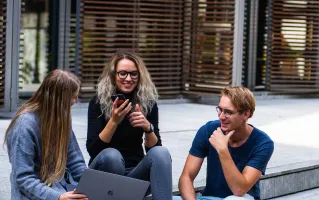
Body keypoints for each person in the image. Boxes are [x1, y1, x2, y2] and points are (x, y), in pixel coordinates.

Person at [86, 50, 172, 200]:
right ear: (113, 75)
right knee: (112, 156)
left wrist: (147, 128)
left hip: (134, 177)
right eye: (123, 73)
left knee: (161, 153)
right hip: (103, 178)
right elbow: (93, 150)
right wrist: (114, 121)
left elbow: (154, 150)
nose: (128, 78)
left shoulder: (147, 103)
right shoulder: (98, 102)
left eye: (133, 74)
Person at [177, 86, 274, 200]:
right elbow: (186, 177)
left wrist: (222, 149)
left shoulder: (263, 143)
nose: (221, 116)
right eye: (220, 109)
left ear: (246, 114)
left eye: (228, 112)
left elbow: (239, 190)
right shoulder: (208, 130)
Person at [5, 69, 87, 200]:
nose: (76, 101)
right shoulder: (24, 125)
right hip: (35, 194)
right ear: (60, 99)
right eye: (73, 97)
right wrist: (58, 197)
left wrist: (90, 185)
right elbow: (23, 179)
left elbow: (74, 161)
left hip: (60, 185)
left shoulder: (62, 116)